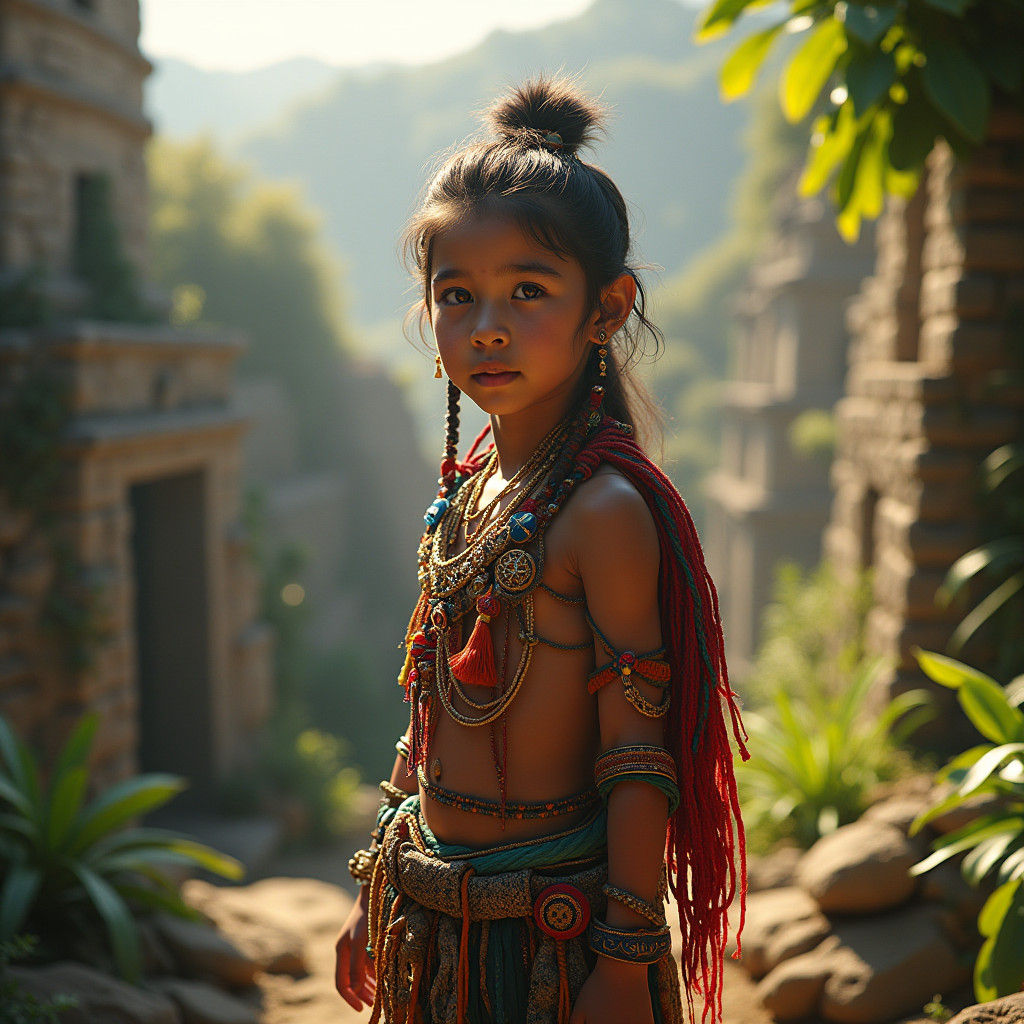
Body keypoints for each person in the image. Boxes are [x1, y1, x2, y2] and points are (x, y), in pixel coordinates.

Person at [334, 76, 747, 1024]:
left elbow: (639, 751)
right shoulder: (470, 493)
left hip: (557, 940)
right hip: (433, 910)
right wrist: (377, 876)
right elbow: (431, 703)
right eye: (456, 295)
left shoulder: (604, 510)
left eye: (529, 290)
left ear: (606, 310)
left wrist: (624, 957)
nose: (487, 326)